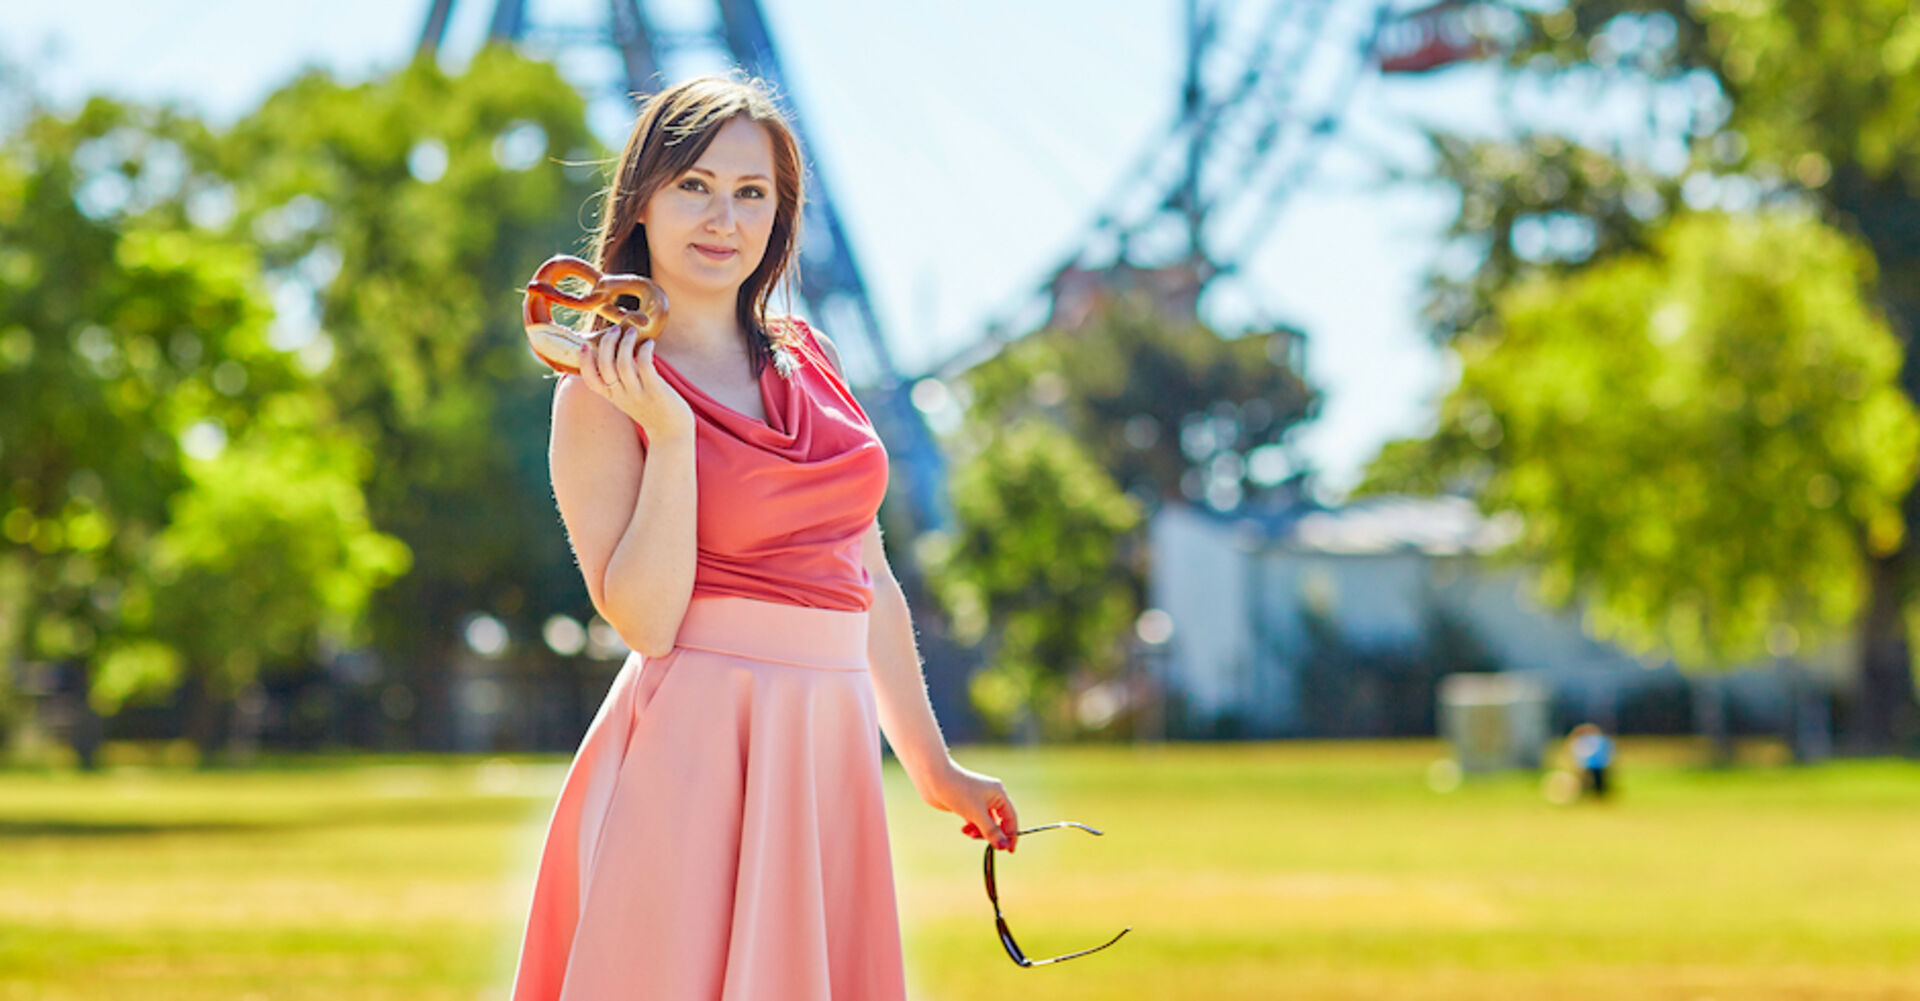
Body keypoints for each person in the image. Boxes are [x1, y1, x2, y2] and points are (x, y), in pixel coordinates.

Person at [509, 73, 1022, 1001]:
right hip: (697, 746)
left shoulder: (811, 355)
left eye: (752, 193)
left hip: (826, 747)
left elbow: (866, 577)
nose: (723, 218)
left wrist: (933, 767)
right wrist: (671, 433)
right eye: (694, 185)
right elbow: (648, 622)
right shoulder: (598, 389)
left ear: (781, 215)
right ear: (643, 200)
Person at [1568, 722, 1614, 800]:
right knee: (1588, 782)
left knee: (1598, 783)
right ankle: (1589, 796)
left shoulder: (1597, 740)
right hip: (1590, 765)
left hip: (1597, 764)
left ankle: (1598, 796)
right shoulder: (1586, 740)